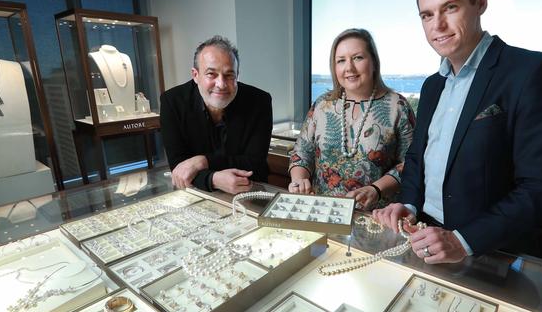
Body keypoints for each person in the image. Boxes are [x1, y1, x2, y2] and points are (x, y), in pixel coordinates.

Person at [373, 0, 542, 263]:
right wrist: (410, 205)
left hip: (493, 254)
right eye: (427, 15)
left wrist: (463, 241)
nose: (437, 25)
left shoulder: (534, 72)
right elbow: (416, 159)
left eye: (450, 8)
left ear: (480, 3)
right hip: (423, 239)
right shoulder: (431, 87)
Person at [289, 28, 416, 210]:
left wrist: (376, 189)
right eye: (341, 61)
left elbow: (411, 164)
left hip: (376, 217)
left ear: (373, 62)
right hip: (323, 211)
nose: (349, 67)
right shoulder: (322, 105)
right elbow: (301, 152)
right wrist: (299, 179)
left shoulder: (398, 107)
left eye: (357, 57)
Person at [160, 35, 272, 194]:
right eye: (211, 74)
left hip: (250, 190)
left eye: (229, 75)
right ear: (195, 75)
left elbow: (255, 163)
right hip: (197, 193)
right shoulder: (172, 102)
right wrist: (213, 179)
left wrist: (203, 161)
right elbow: (179, 168)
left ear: (237, 75)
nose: (221, 84)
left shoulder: (260, 101)